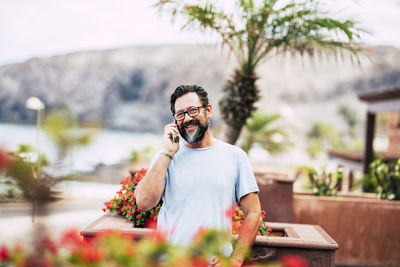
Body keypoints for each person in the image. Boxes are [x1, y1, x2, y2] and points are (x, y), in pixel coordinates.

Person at [135, 85, 262, 267]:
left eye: (193, 111)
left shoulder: (235, 156)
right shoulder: (166, 156)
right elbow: (144, 201)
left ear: (208, 110)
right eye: (180, 114)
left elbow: (254, 212)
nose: (187, 119)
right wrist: (167, 153)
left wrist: (236, 258)